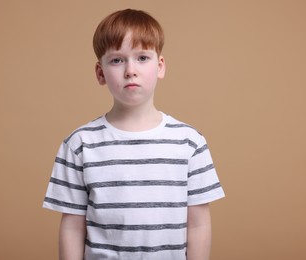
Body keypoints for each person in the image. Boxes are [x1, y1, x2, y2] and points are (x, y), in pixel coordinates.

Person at [43, 9, 225, 260]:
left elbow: (198, 224)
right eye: (117, 60)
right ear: (100, 73)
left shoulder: (190, 143)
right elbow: (73, 227)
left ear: (160, 66)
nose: (130, 70)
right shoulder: (80, 144)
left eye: (142, 57)